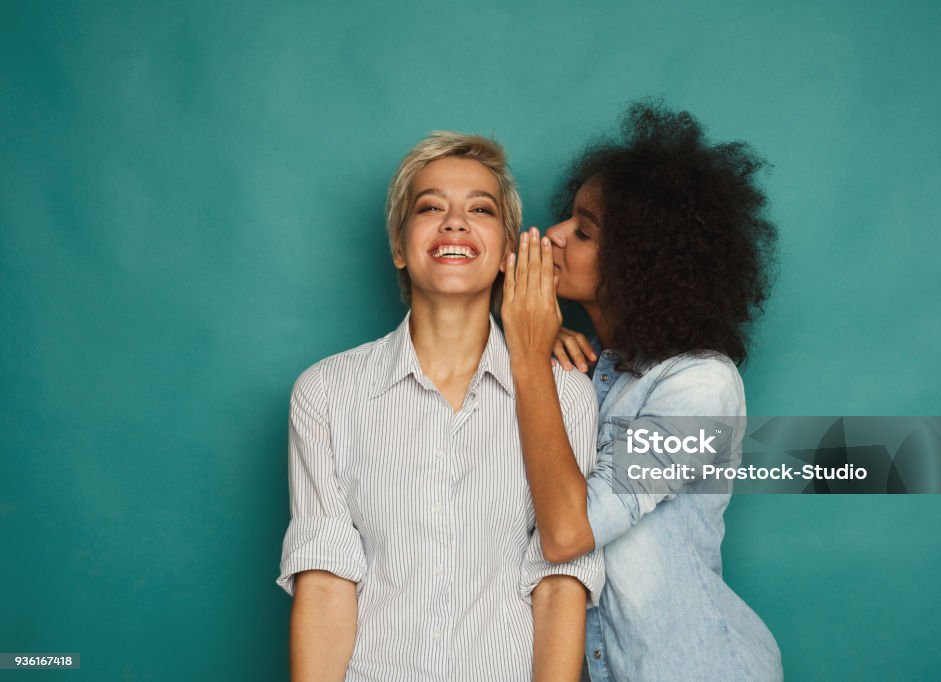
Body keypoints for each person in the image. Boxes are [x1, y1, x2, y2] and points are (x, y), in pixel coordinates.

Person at [275, 131, 603, 681]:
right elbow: (326, 582)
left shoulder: (566, 394)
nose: (455, 222)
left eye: (480, 208)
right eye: (430, 207)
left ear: (506, 253)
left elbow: (559, 584)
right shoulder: (326, 393)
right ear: (399, 248)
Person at [500, 102, 784, 681]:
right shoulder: (588, 372)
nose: (552, 236)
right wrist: (538, 342)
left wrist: (529, 351)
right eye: (566, 220)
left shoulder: (703, 387)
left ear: (639, 264)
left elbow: (568, 534)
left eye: (582, 232)